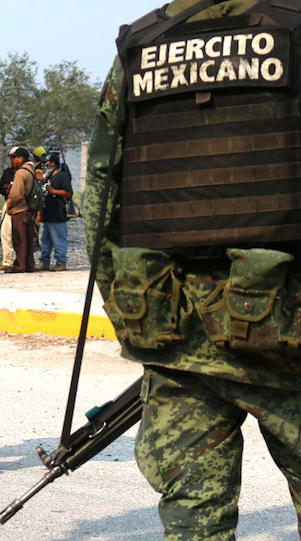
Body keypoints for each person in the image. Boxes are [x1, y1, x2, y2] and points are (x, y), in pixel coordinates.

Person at [85, 1, 301, 539]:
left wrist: (127, 302)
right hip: (288, 324)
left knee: (192, 521)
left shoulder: (143, 46)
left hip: (173, 323)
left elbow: (102, 191)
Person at [36, 153, 72, 272]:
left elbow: (68, 193)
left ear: (52, 163)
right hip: (46, 214)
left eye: (47, 163)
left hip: (57, 214)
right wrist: (39, 215)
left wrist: (54, 191)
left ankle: (61, 262)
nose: (45, 165)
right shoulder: (46, 177)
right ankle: (44, 262)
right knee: (44, 241)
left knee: (59, 240)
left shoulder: (61, 176)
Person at [5, 146, 35, 273]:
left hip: (19, 209)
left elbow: (16, 194)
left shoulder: (20, 172)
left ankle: (19, 265)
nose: (12, 161)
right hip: (28, 209)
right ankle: (29, 264)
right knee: (28, 239)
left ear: (21, 158)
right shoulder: (31, 171)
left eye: (14, 158)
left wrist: (9, 204)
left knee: (19, 239)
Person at [0, 165, 14, 271]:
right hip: (9, 202)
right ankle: (7, 261)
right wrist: (6, 189)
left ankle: (23, 261)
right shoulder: (7, 172)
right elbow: (0, 188)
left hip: (23, 204)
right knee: (6, 232)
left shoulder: (25, 172)